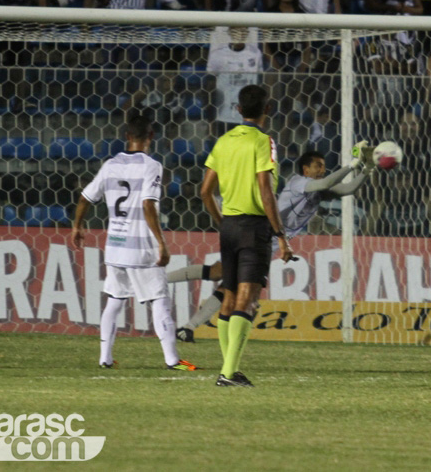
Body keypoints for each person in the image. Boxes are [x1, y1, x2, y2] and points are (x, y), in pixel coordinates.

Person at [174, 146, 374, 342]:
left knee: (226, 282)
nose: (322, 169)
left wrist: (367, 169)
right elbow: (326, 182)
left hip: (268, 244)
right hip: (258, 235)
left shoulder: (319, 192)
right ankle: (168, 292)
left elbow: (349, 188)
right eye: (318, 166)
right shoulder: (299, 182)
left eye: (323, 166)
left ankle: (187, 327)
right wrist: (353, 164)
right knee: (223, 277)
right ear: (306, 169)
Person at [70, 114, 197, 371]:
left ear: (127, 136)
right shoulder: (151, 166)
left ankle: (105, 358)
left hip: (115, 247)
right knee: (159, 300)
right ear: (151, 136)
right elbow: (148, 204)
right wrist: (161, 242)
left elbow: (85, 198)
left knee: (115, 300)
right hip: (141, 248)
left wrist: (77, 226)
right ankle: (173, 360)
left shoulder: (110, 165)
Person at [200, 84, 294, 387]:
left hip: (229, 226)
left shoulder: (223, 141)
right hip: (254, 227)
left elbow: (205, 192)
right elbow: (265, 190)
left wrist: (222, 222)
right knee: (248, 300)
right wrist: (281, 235)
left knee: (228, 298)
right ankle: (228, 374)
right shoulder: (263, 141)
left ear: (238, 110)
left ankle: (230, 370)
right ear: (268, 109)